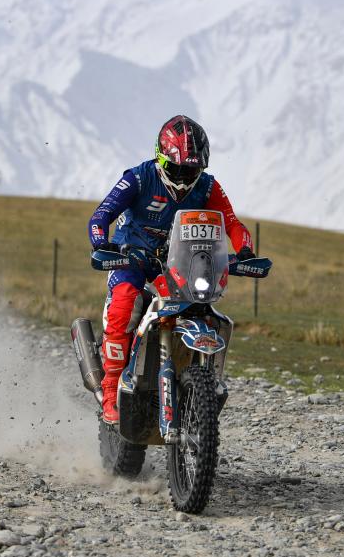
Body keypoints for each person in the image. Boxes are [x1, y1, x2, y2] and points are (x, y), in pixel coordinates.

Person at [88, 115, 254, 424]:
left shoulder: (207, 185)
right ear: (160, 158)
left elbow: (232, 223)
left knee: (198, 308)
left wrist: (244, 249)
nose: (182, 177)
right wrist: (101, 243)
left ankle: (197, 381)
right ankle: (110, 393)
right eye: (176, 169)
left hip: (177, 262)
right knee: (125, 304)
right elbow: (101, 215)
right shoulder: (138, 178)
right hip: (131, 258)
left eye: (190, 170)